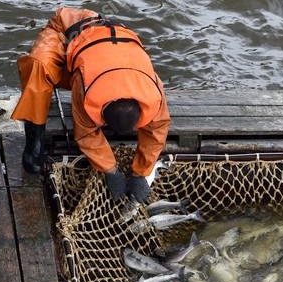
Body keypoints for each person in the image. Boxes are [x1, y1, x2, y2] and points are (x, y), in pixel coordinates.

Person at [11, 7, 171, 201]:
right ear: (101, 112)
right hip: (68, 28)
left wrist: (141, 173)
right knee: (39, 66)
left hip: (108, 40)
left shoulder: (152, 91)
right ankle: (33, 141)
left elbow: (158, 128)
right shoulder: (87, 88)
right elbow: (86, 133)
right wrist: (111, 171)